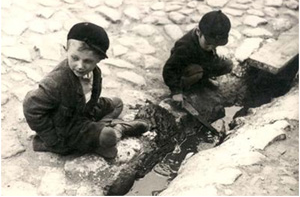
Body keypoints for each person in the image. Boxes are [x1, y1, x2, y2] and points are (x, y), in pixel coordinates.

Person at [23, 22, 149, 159]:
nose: (80, 66)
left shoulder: (95, 72)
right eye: (75, 58)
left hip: (85, 110)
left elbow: (91, 98)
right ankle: (118, 129)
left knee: (117, 103)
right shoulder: (56, 82)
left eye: (88, 61)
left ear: (98, 60)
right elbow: (31, 107)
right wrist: (51, 139)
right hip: (68, 128)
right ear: (67, 50)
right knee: (109, 139)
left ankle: (101, 126)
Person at [162, 10, 233, 103]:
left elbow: (210, 53)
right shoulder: (185, 47)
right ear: (199, 32)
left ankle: (203, 80)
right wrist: (176, 91)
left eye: (215, 45)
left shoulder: (207, 44)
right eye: (208, 43)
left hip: (201, 62)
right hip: (184, 70)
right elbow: (169, 69)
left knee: (227, 65)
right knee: (197, 70)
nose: (211, 47)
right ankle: (189, 86)